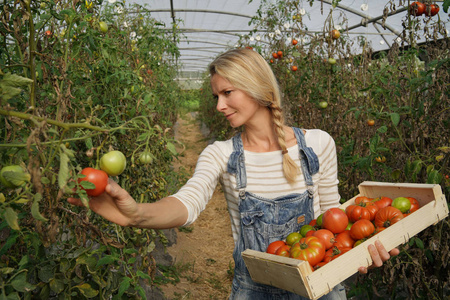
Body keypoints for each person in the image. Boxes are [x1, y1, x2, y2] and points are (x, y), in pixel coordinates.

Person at [68, 48, 398, 299]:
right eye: (216, 96)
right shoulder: (221, 154)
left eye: (227, 93)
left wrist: (365, 244)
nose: (218, 106)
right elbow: (188, 202)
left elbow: (333, 215)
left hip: (320, 286)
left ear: (256, 87)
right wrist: (137, 214)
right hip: (254, 290)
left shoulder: (318, 144)